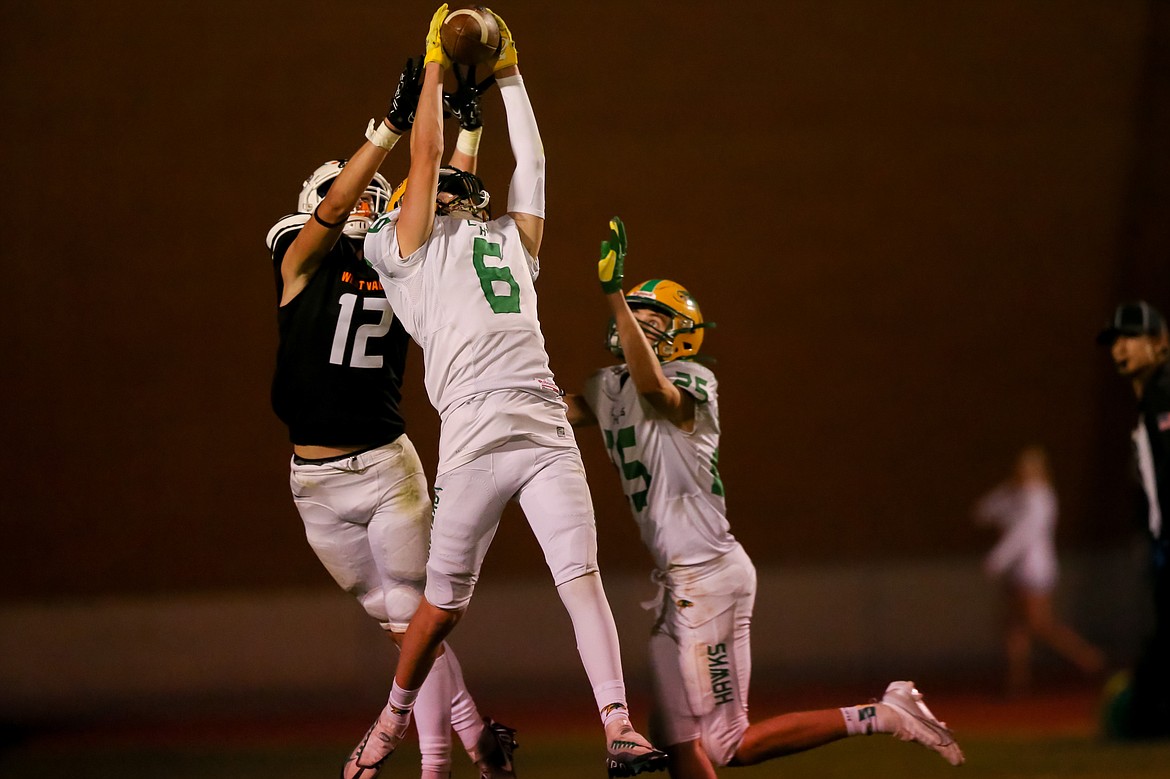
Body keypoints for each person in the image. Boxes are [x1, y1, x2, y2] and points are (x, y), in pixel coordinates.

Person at [353, 6, 670, 778]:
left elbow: (533, 168)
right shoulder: (404, 246)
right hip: (470, 437)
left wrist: (513, 77)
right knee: (440, 609)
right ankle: (391, 719)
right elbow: (424, 158)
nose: (464, 189)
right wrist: (432, 62)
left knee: (580, 577)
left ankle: (618, 726)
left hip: (540, 426)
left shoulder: (505, 244)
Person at [561, 217, 965, 778]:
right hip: (678, 580)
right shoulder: (607, 388)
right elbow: (547, 414)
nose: (638, 323)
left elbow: (655, 389)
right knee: (673, 734)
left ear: (682, 336)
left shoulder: (692, 380)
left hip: (707, 577)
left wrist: (613, 295)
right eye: (636, 312)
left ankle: (882, 713)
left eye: (653, 318)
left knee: (728, 743)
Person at [266, 55, 516, 779]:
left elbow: (451, 193)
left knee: (414, 616)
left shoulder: (399, 258)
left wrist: (467, 126)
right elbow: (334, 211)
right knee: (402, 623)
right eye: (356, 196)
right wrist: (388, 131)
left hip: (382, 467)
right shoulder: (301, 254)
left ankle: (441, 758)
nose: (367, 204)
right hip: (312, 483)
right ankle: (476, 735)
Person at [972, 445, 1105, 694]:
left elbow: (1023, 534)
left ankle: (1088, 659)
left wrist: (997, 559)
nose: (1023, 474)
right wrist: (1007, 489)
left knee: (1039, 624)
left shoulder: (1040, 498)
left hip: (1034, 571)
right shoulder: (1016, 496)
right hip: (1017, 573)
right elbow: (983, 512)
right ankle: (1017, 680)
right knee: (1014, 626)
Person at [1097, 300, 1170, 738]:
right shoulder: (1151, 398)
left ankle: (1145, 721)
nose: (1120, 348)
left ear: (1159, 343)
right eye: (1115, 340)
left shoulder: (1164, 394)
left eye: (1131, 337)